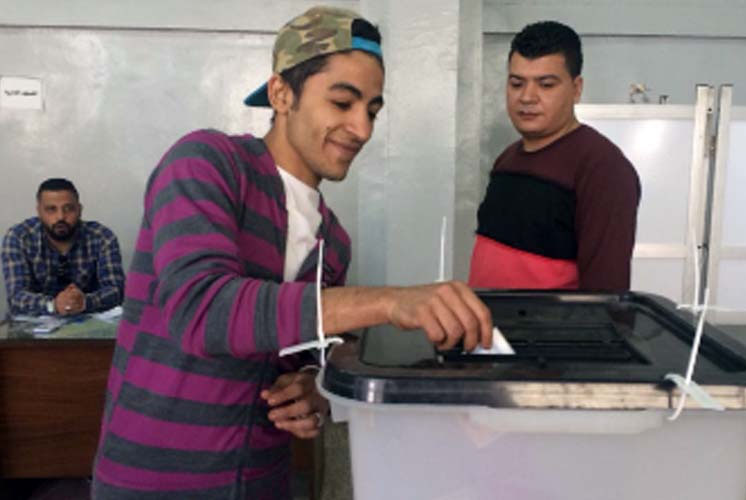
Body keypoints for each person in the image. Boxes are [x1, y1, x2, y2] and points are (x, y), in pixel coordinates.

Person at [92, 6, 492, 499]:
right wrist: (390, 301)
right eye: (342, 102)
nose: (362, 129)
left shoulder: (333, 241)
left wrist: (314, 385)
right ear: (282, 94)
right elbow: (202, 311)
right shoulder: (206, 164)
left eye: (372, 110)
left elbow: (310, 345)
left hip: (262, 480)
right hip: (156, 480)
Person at [468, 21, 641, 292]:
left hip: (549, 322)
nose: (527, 97)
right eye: (516, 83)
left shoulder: (602, 168)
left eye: (546, 85)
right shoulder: (507, 160)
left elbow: (605, 296)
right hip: (487, 319)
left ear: (576, 89)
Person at [1, 178, 125, 317]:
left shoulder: (102, 237)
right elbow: (16, 297)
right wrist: (54, 305)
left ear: (79, 209)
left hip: (89, 322)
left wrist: (85, 302)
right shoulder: (19, 237)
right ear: (39, 211)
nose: (60, 217)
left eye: (69, 209)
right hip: (32, 325)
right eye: (51, 209)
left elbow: (117, 290)